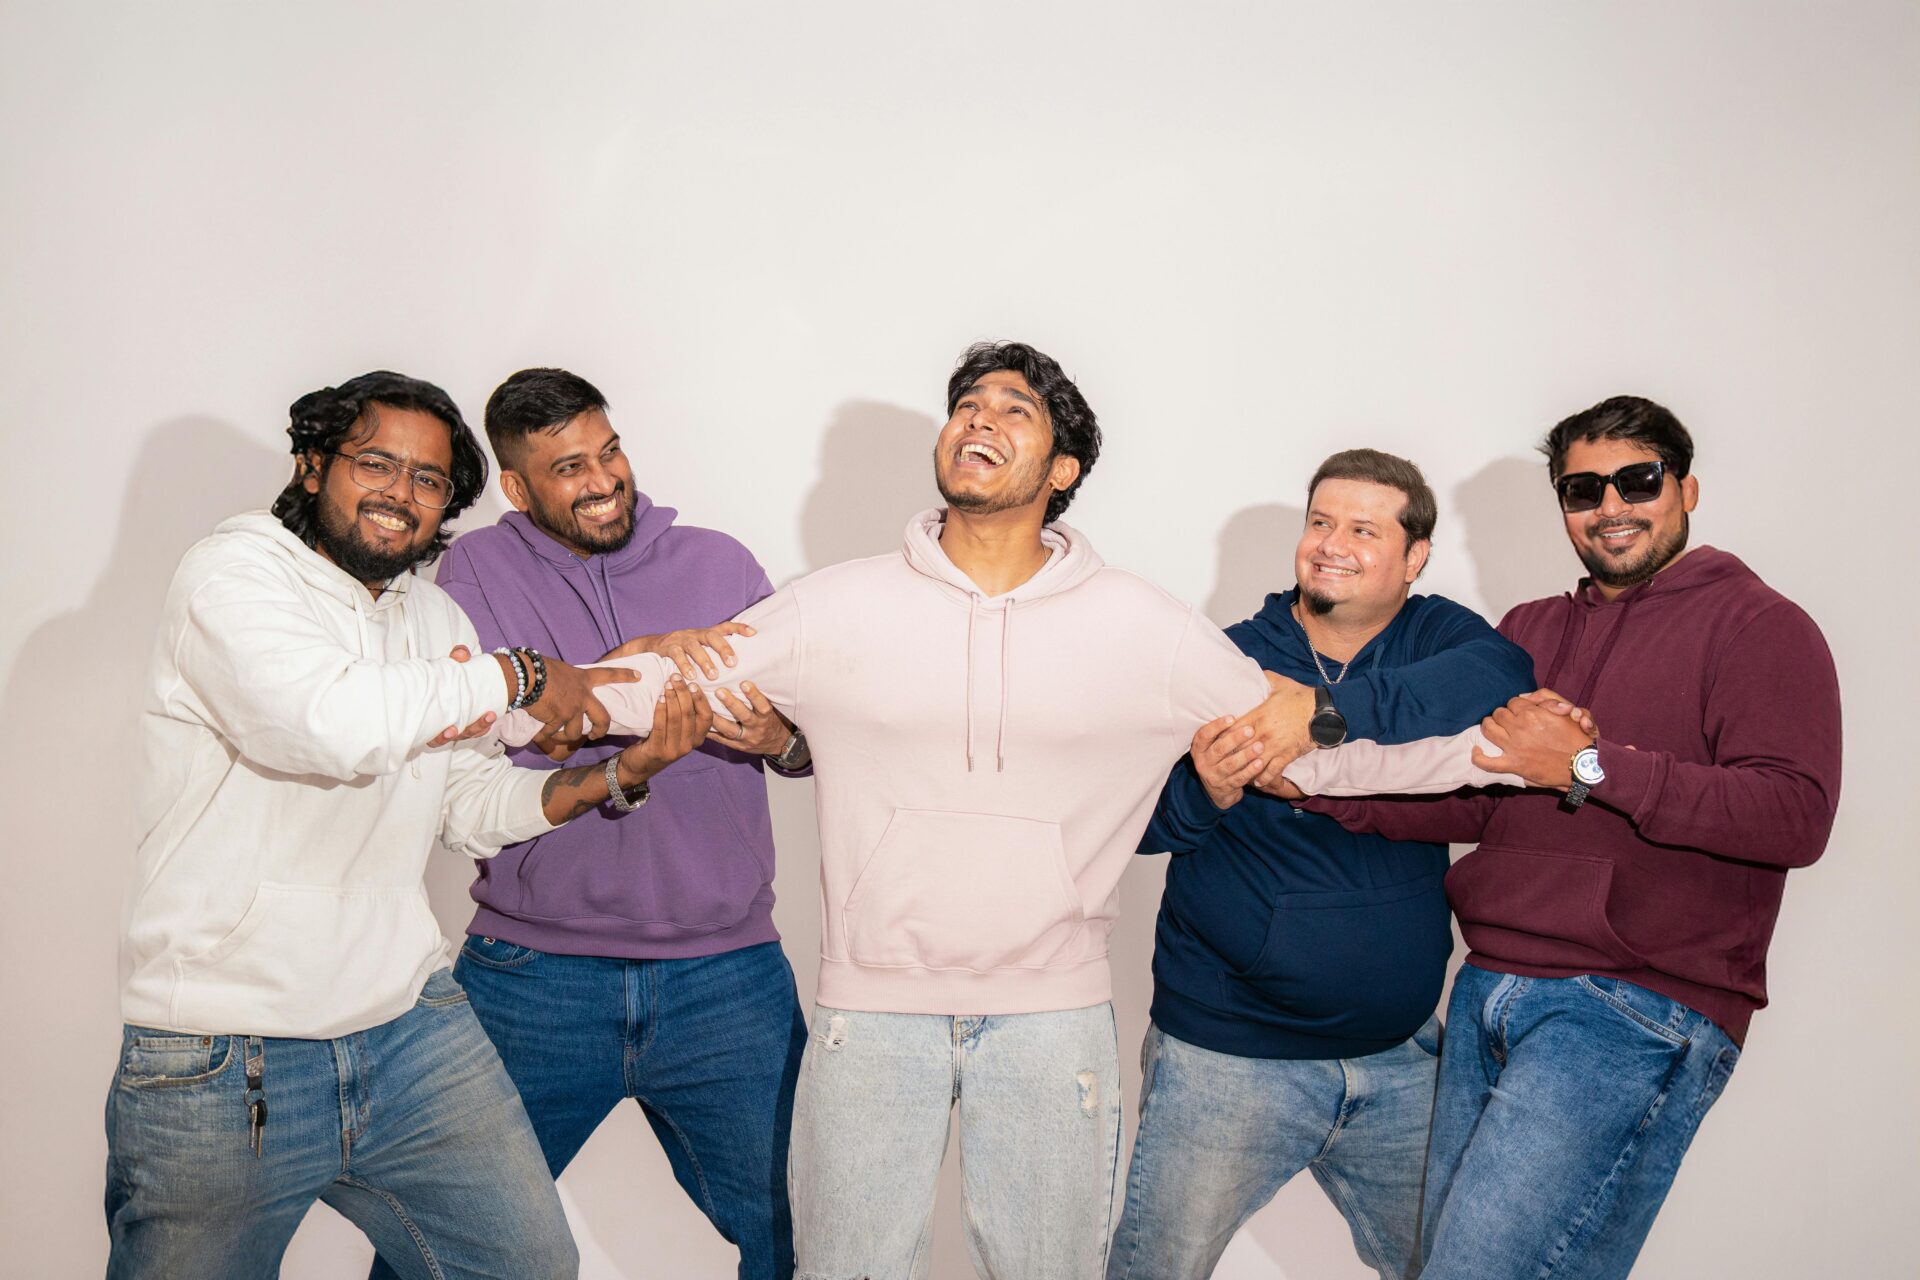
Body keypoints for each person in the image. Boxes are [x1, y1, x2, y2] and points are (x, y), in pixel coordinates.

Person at [496, 342, 1321, 1279]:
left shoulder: (1145, 623)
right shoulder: (834, 604)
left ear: (1063, 471)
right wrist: (536, 693)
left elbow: (1299, 736)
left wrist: (1327, 712)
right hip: (872, 1013)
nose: (978, 418)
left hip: (1053, 1017)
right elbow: (670, 680)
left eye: (1015, 410)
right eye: (968, 403)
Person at [106, 371, 719, 1280]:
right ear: (314, 466)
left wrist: (610, 778)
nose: (402, 493)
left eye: (429, 481)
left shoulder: (430, 618)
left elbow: (468, 803)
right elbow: (329, 724)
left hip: (408, 1028)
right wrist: (518, 676)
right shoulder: (234, 574)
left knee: (528, 1265)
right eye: (376, 463)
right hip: (226, 1049)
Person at [1299, 396, 1842, 1280]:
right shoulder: (1529, 630)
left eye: (1638, 481)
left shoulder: (1761, 626)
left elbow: (1794, 815)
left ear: (1686, 487)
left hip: (1632, 1007)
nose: (1611, 506)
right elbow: (1478, 799)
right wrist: (1316, 789)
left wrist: (1592, 766)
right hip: (1485, 991)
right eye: (1583, 489)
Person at [364, 367, 811, 1280]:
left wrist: (783, 737)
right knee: (436, 1247)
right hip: (533, 978)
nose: (604, 479)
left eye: (609, 451)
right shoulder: (475, 573)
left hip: (726, 974)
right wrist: (631, 669)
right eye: (569, 468)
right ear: (520, 489)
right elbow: (498, 729)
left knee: (809, 1228)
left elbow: (816, 736)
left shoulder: (723, 565)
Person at [1106, 450, 1534, 1280]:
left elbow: (1502, 678)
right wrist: (1209, 787)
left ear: (1414, 559)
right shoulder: (1223, 659)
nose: (1331, 543)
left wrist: (1320, 715)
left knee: (1453, 1267)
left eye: (1364, 530)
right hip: (1226, 1062)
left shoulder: (1445, 640)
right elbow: (1137, 823)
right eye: (1321, 522)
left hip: (1402, 1057)